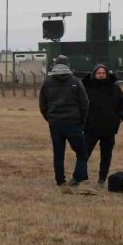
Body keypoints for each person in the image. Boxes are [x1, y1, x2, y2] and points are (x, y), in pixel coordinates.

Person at [39, 56, 89, 188]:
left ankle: (60, 181)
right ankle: (77, 178)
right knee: (82, 152)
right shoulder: (76, 82)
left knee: (58, 153)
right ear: (68, 65)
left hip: (55, 123)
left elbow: (43, 105)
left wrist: (50, 118)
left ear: (55, 65)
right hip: (73, 122)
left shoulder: (47, 83)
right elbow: (84, 103)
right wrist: (81, 121)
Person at [82, 64, 123, 187]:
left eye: (103, 73)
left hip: (109, 128)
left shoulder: (114, 88)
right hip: (90, 128)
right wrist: (84, 120)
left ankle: (102, 179)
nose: (101, 75)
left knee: (106, 155)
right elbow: (80, 105)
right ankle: (82, 177)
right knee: (84, 154)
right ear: (94, 74)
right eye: (99, 73)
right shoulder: (86, 88)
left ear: (107, 74)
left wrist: (118, 118)